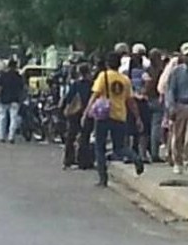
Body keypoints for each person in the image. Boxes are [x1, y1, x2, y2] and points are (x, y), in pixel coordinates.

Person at [82, 52, 144, 187]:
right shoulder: (125, 80)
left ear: (107, 64)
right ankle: (136, 158)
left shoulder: (102, 77)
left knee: (100, 147)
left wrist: (86, 112)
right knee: (120, 147)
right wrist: (138, 117)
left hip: (103, 115)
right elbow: (131, 101)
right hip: (120, 115)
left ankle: (103, 179)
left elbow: (95, 95)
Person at [165, 43, 188, 176]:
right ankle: (177, 162)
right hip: (180, 104)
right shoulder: (176, 71)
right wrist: (171, 107)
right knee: (178, 136)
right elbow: (170, 90)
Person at [61, 63, 94, 169]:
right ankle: (83, 161)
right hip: (87, 113)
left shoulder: (75, 84)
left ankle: (68, 160)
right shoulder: (92, 85)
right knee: (85, 137)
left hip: (74, 113)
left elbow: (69, 98)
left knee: (71, 136)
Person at [0, 59, 24, 144]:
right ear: (15, 67)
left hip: (4, 99)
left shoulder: (3, 76)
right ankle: (11, 137)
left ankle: (1, 136)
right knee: (13, 118)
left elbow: (0, 88)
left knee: (2, 118)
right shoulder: (19, 77)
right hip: (15, 100)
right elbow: (22, 89)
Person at [146, 49, 165, 163]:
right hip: (157, 99)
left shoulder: (148, 70)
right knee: (156, 127)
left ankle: (145, 152)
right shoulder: (161, 71)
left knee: (147, 128)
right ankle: (154, 153)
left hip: (147, 99)